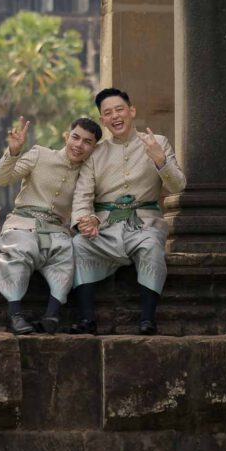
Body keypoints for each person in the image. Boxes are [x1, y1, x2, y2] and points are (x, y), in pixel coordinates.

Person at [70, 87, 186, 335]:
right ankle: (87, 318)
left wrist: (159, 160)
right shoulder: (96, 153)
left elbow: (178, 185)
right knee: (79, 244)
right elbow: (82, 194)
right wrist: (84, 221)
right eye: (108, 113)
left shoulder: (158, 143)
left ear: (131, 111)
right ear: (103, 120)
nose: (115, 116)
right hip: (104, 225)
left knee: (151, 247)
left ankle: (147, 319)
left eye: (119, 109)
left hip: (145, 223)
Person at [0, 114, 102, 335]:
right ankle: (15, 315)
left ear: (94, 148)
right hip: (22, 222)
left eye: (87, 142)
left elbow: (91, 206)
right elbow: (1, 180)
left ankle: (51, 316)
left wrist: (93, 220)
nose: (79, 145)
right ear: (66, 136)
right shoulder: (39, 154)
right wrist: (13, 151)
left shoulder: (88, 174)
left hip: (57, 229)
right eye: (76, 137)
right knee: (23, 250)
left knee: (66, 255)